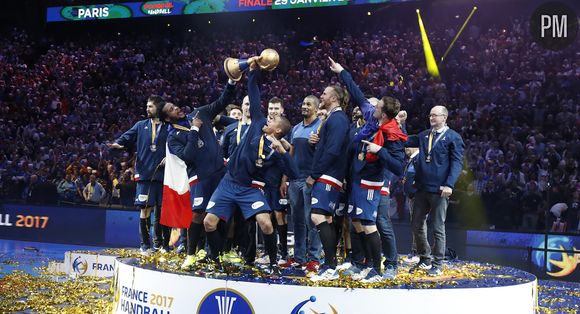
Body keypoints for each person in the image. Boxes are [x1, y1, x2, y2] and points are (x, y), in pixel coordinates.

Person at [203, 61, 298, 275]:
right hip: (228, 183)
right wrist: (255, 70)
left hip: (251, 189)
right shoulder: (257, 121)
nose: (269, 117)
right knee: (209, 222)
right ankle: (217, 261)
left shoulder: (277, 149)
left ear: (279, 131)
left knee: (265, 223)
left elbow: (294, 174)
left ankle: (273, 264)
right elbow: (253, 91)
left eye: (273, 119)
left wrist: (283, 152)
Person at [330, 58, 406, 281]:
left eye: (377, 106)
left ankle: (380, 267)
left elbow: (398, 166)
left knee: (373, 224)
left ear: (383, 113)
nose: (372, 107)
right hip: (356, 178)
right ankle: (362, 263)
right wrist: (342, 71)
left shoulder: (393, 134)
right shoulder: (371, 121)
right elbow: (357, 94)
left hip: (372, 183)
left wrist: (378, 150)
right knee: (356, 222)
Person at [160, 77, 237, 269]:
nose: (176, 108)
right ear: (167, 118)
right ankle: (191, 254)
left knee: (221, 214)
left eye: (174, 105)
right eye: (171, 109)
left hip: (220, 173)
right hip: (199, 178)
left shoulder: (201, 112)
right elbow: (188, 156)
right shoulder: (172, 138)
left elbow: (222, 101)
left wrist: (231, 81)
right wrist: (194, 129)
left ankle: (219, 254)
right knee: (197, 215)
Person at [406, 105, 465, 276]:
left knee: (438, 226)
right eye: (430, 115)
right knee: (417, 224)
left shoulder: (453, 137)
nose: (431, 118)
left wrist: (450, 184)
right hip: (422, 187)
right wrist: (400, 124)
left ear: (444, 117)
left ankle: (438, 263)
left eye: (435, 115)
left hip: (440, 189)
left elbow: (457, 163)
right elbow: (405, 140)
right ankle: (425, 258)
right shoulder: (424, 135)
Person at [109, 95, 169, 254]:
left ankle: (159, 244)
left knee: (161, 210)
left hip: (163, 175)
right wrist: (118, 143)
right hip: (144, 175)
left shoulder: (169, 126)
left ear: (158, 108)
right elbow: (126, 137)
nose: (147, 109)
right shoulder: (141, 125)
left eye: (150, 106)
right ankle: (145, 245)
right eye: (147, 106)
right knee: (145, 210)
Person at [306, 75, 351, 280]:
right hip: (329, 174)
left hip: (328, 175)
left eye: (324, 93)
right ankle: (329, 264)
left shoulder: (339, 118)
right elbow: (329, 147)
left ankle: (331, 266)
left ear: (333, 98)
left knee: (317, 217)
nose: (321, 96)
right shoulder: (333, 118)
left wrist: (315, 174)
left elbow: (333, 151)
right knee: (326, 219)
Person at [282, 95, 323, 271]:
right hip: (294, 179)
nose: (304, 106)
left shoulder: (321, 127)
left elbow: (325, 152)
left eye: (308, 104)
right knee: (297, 220)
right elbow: (291, 153)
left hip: (310, 180)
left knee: (310, 220)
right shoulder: (296, 128)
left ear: (316, 108)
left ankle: (314, 257)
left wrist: (319, 142)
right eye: (303, 103)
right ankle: (299, 256)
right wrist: (284, 178)